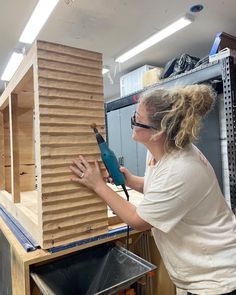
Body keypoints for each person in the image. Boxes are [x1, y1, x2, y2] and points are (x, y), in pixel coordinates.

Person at [70, 84, 236, 295]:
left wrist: (97, 185)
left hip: (217, 277)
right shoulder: (161, 150)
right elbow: (158, 189)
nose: (133, 123)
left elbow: (138, 220)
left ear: (158, 132)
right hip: (197, 272)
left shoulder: (181, 168)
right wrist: (130, 180)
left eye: (136, 120)